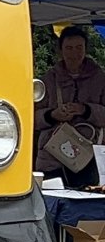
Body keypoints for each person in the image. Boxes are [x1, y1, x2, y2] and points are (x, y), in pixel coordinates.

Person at [35, 26, 105, 187]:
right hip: (51, 159)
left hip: (88, 158)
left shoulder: (100, 78)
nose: (74, 53)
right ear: (61, 50)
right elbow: (31, 118)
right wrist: (52, 115)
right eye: (69, 48)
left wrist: (86, 110)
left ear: (86, 49)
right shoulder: (48, 79)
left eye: (79, 48)